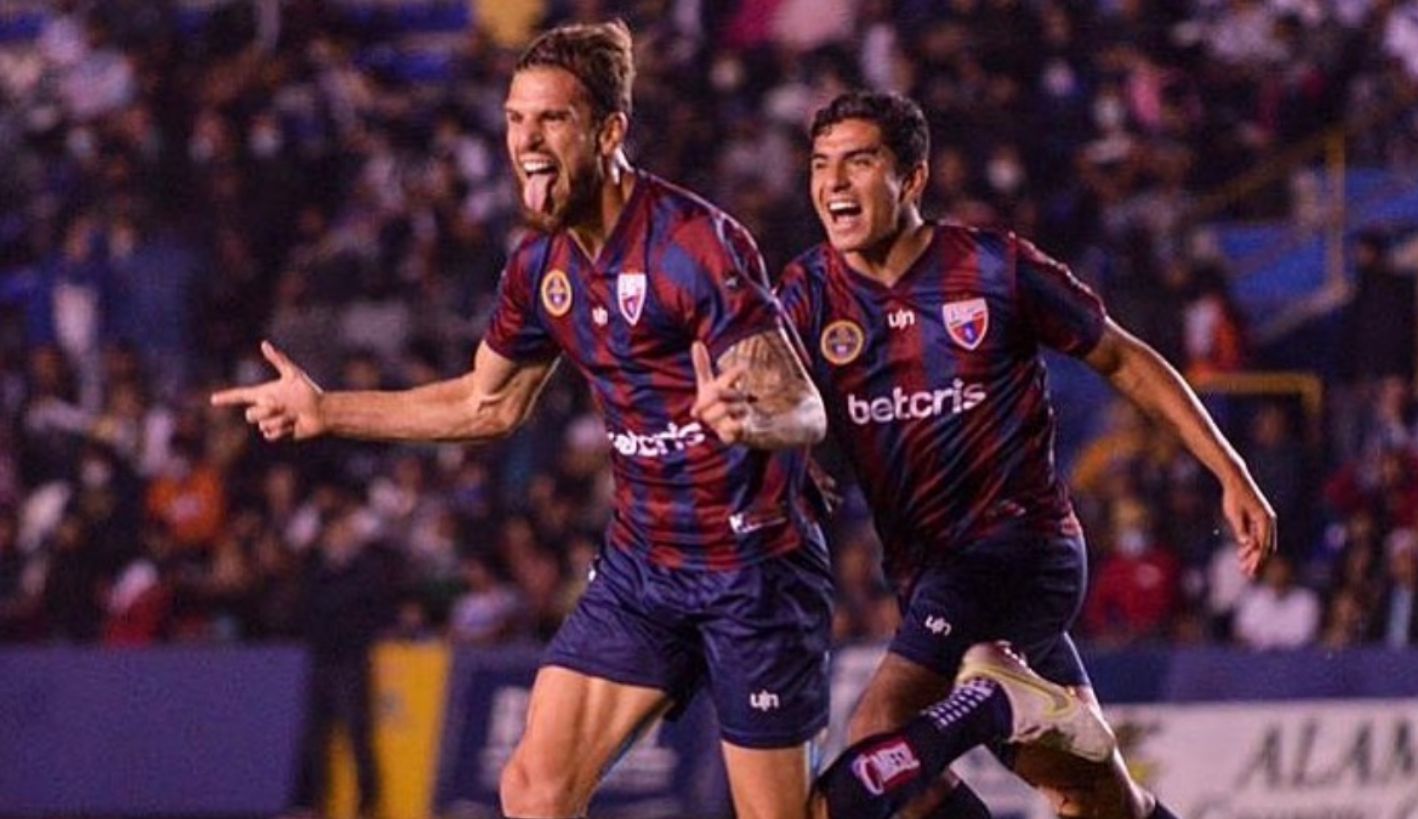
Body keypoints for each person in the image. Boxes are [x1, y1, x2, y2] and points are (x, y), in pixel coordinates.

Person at [213, 21, 834, 819]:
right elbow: (488, 401)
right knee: (534, 789)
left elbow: (802, 405)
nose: (526, 141)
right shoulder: (540, 268)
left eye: (551, 119)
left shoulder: (695, 245)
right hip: (645, 568)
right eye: (515, 119)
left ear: (608, 132)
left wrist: (750, 414)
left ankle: (916, 779)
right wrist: (329, 410)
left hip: (754, 569)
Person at [752, 91, 1274, 817]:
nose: (833, 183)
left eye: (859, 162)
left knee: (880, 732)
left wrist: (1231, 470)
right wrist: (788, 451)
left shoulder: (992, 268)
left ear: (912, 177)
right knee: (1097, 798)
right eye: (820, 164)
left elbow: (1123, 359)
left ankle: (997, 699)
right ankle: (1013, 698)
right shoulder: (808, 292)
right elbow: (780, 403)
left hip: (1020, 548)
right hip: (930, 574)